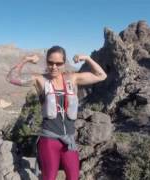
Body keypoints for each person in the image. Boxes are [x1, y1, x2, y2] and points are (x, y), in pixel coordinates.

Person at [6, 45, 107, 180]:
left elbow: (102, 75)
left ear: (64, 63)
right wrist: (26, 60)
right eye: (50, 62)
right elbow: (11, 78)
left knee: (73, 176)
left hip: (69, 140)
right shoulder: (40, 80)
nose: (54, 67)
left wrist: (87, 58)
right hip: (49, 140)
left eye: (58, 63)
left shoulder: (73, 78)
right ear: (46, 62)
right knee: (49, 177)